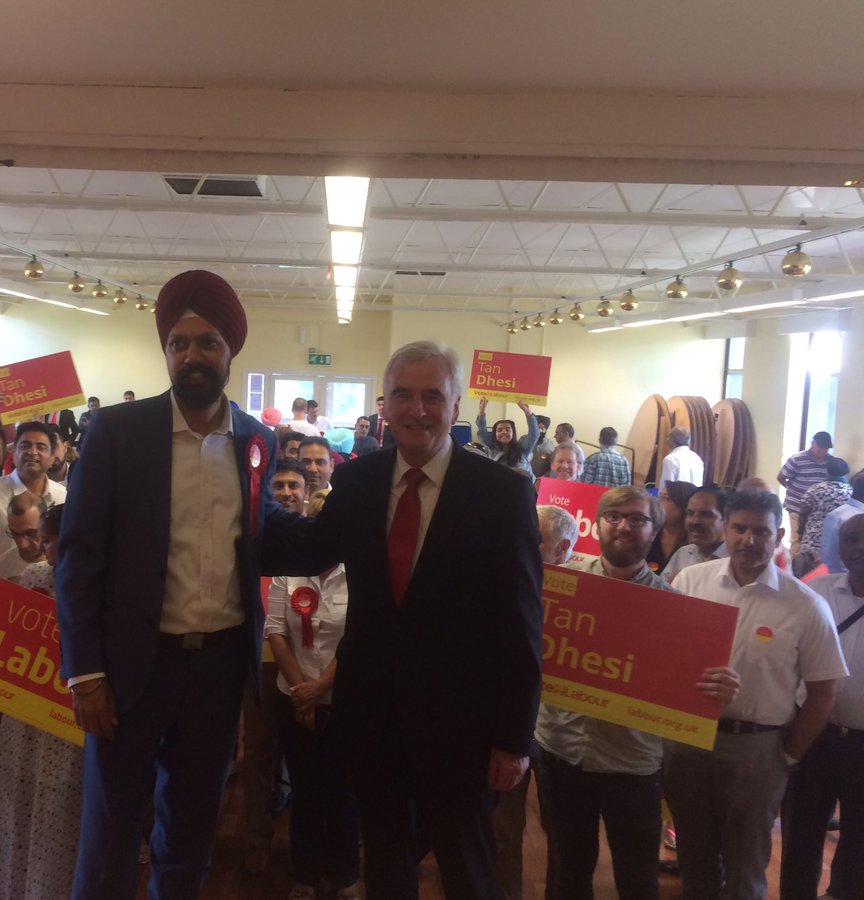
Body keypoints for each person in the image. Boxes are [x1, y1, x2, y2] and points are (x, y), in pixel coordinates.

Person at [56, 270, 298, 900]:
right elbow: (79, 558)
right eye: (179, 343)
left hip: (217, 669)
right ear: (166, 350)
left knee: (191, 830)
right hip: (129, 668)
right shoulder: (117, 433)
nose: (192, 355)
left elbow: (262, 532)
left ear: (230, 351)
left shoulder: (256, 440)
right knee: (110, 831)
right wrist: (86, 674)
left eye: (208, 342)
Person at [298, 340, 543, 899]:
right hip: (372, 716)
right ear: (384, 405)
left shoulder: (502, 494)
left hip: (463, 727)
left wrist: (514, 737)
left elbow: (522, 623)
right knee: (385, 862)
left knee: (467, 867)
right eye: (403, 395)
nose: (417, 409)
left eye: (433, 396)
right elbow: (310, 549)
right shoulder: (358, 481)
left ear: (456, 406)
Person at [537, 486, 739, 900]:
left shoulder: (675, 609)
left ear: (655, 530)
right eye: (613, 516)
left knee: (637, 880)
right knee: (567, 871)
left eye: (637, 518)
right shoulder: (561, 584)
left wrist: (715, 688)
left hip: (633, 764)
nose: (623, 526)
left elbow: (687, 687)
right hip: (560, 751)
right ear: (598, 524)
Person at [667, 489, 848, 900]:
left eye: (761, 531)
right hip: (687, 744)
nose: (749, 540)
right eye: (739, 528)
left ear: (779, 535)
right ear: (725, 529)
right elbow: (664, 653)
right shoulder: (690, 581)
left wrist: (789, 755)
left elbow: (824, 690)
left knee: (746, 869)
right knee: (694, 862)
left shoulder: (805, 605)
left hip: (758, 750)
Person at [0, 504, 85, 900]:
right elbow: (9, 638)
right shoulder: (34, 576)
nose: (44, 548)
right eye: (44, 540)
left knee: (61, 804)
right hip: (27, 713)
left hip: (68, 717)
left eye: (52, 540)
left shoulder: (101, 586)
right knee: (16, 797)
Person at [266, 489, 360, 900]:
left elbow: (358, 637)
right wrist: (301, 693)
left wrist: (320, 688)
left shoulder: (359, 572)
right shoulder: (288, 571)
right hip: (293, 700)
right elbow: (276, 631)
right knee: (304, 791)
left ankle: (344, 876)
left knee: (343, 792)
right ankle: (304, 873)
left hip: (344, 702)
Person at [493, 504, 578, 900]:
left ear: (561, 549)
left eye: (535, 540)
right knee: (503, 829)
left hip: (562, 736)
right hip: (512, 727)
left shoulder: (590, 601)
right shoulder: (504, 583)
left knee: (561, 832)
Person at [780, 514, 864, 900]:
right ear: (839, 546)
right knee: (800, 835)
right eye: (851, 539)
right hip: (815, 735)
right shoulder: (817, 592)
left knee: (858, 846)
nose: (860, 547)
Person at [241, 458, 308, 876]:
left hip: (312, 668)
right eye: (278, 486)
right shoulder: (253, 538)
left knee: (310, 757)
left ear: (306, 492)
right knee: (259, 753)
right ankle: (256, 838)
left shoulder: (318, 540)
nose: (285, 493)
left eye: (293, 486)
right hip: (263, 662)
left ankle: (310, 847)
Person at [0, 422, 66, 556]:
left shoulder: (63, 496)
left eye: (41, 447)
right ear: (13, 454)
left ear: (52, 458)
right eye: (25, 446)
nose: (32, 452)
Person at [791, 457, 851, 578]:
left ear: (827, 470)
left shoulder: (815, 489)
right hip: (834, 545)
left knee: (804, 581)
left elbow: (803, 513)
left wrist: (801, 532)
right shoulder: (849, 492)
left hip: (811, 543)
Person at [0, 492, 46, 602]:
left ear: (45, 525)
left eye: (30, 533)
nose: (22, 545)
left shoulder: (66, 565)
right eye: (15, 534)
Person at [778, 431, 834, 554]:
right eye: (820, 447)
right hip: (797, 506)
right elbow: (781, 477)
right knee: (797, 541)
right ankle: (794, 565)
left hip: (818, 510)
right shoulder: (797, 459)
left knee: (814, 543)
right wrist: (792, 490)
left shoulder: (830, 461)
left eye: (826, 449)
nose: (823, 451)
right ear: (813, 443)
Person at [662, 486, 728, 583]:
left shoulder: (735, 560)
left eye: (705, 514)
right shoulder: (683, 554)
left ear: (726, 520)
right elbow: (661, 589)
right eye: (690, 513)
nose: (694, 521)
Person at [475, 398, 538, 475]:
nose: (504, 432)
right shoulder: (491, 447)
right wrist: (482, 410)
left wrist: (527, 411)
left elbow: (534, 434)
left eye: (508, 430)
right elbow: (482, 432)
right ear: (495, 434)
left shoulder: (523, 448)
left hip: (520, 481)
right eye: (499, 430)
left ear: (513, 433)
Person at [646, 480, 697, 574]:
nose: (658, 503)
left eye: (666, 498)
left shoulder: (695, 542)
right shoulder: (649, 533)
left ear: (685, 506)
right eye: (659, 497)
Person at [821, 470, 864, 574]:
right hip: (850, 577)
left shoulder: (837, 513)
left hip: (831, 574)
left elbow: (826, 553)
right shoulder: (857, 520)